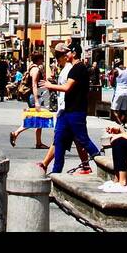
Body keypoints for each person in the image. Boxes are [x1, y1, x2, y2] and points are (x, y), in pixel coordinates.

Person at [40, 44, 100, 176]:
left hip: (76, 110)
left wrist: (51, 86)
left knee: (83, 139)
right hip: (67, 110)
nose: (66, 54)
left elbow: (67, 87)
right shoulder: (75, 68)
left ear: (74, 53)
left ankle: (101, 161)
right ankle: (56, 172)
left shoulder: (77, 68)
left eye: (68, 52)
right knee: (59, 139)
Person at [10, 52, 47, 151]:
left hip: (33, 95)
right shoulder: (35, 70)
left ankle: (39, 143)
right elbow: (34, 85)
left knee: (39, 119)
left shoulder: (32, 67)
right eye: (42, 58)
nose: (43, 60)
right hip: (33, 96)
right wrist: (37, 101)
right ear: (39, 59)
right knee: (36, 118)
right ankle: (16, 133)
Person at [111, 61, 127, 126]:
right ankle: (123, 124)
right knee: (123, 110)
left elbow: (112, 82)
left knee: (114, 110)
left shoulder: (116, 71)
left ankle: (120, 124)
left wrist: (113, 84)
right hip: (126, 90)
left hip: (119, 91)